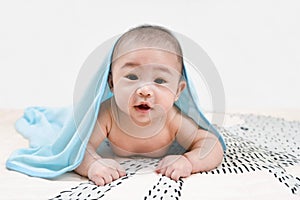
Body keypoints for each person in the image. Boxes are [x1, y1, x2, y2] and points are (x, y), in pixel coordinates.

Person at [74, 25, 224, 186]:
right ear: (112, 83)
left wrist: (189, 161)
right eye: (132, 76)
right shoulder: (109, 114)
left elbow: (211, 144)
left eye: (159, 81)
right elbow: (78, 147)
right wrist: (93, 164)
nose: (144, 90)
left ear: (177, 91)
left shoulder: (172, 119)